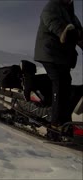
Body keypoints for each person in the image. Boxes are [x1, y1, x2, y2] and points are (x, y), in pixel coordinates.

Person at [34, 0, 83, 130]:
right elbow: (53, 23)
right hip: (50, 52)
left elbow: (79, 35)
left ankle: (66, 120)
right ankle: (55, 124)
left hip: (62, 56)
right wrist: (65, 31)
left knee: (67, 84)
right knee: (60, 82)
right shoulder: (52, 7)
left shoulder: (72, 15)